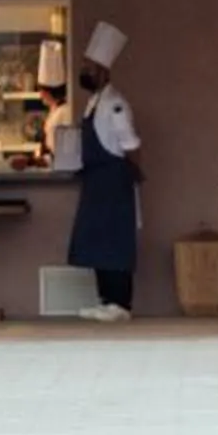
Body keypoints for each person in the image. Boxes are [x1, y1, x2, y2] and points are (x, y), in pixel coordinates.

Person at [65, 21, 142, 320]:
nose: (85, 71)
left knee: (115, 239)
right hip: (96, 180)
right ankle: (105, 298)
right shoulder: (93, 103)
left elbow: (131, 143)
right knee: (96, 239)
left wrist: (133, 174)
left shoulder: (115, 105)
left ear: (104, 71)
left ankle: (121, 303)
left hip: (113, 178)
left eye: (90, 67)